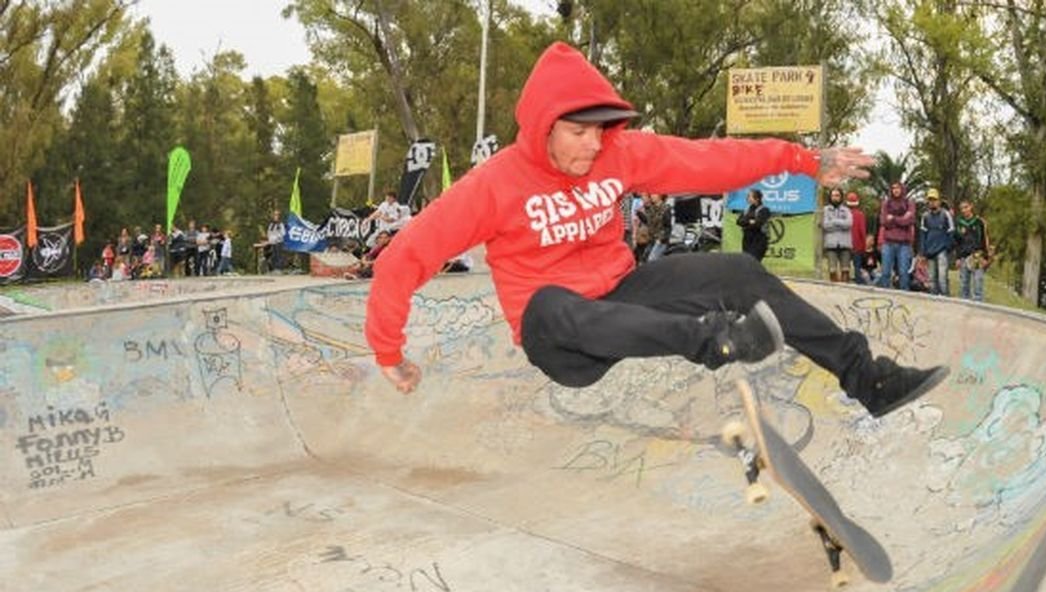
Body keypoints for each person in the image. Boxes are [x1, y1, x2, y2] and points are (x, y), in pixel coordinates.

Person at [364, 41, 946, 417]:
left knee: (736, 272)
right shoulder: (493, 185)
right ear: (543, 128)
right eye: (578, 133)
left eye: (601, 133)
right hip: (562, 341)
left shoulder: (619, 153)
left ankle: (868, 380)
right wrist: (388, 351)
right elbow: (405, 256)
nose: (593, 146)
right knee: (547, 306)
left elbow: (711, 160)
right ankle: (715, 340)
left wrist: (803, 160)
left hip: (624, 298)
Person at [876, 182, 916, 290]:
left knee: (903, 273)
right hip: (888, 242)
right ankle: (885, 294)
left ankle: (904, 294)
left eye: (898, 188)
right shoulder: (886, 203)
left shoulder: (909, 203)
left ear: (902, 189)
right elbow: (883, 221)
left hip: (904, 244)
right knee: (885, 272)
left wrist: (893, 218)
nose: (896, 190)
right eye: (893, 188)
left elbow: (909, 220)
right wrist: (901, 219)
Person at [919, 189, 954, 296]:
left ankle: (946, 299)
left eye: (934, 200)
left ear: (939, 201)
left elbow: (951, 232)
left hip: (942, 250)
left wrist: (947, 247)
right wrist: (923, 253)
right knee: (931, 279)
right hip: (929, 251)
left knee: (942, 278)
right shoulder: (925, 216)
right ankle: (933, 301)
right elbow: (923, 235)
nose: (932, 202)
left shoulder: (946, 214)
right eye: (930, 200)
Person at [955, 200, 991, 302]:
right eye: (962, 208)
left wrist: (986, 257)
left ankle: (978, 304)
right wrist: (957, 258)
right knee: (964, 284)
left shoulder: (979, 222)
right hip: (963, 256)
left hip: (977, 256)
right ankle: (963, 303)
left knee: (978, 282)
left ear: (971, 206)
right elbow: (957, 242)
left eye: (966, 207)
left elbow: (984, 240)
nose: (964, 210)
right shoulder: (959, 223)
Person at [820, 187, 853, 282]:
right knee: (832, 271)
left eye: (837, 195)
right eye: (833, 195)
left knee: (845, 271)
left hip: (845, 244)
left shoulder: (846, 210)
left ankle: (845, 289)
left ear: (841, 197)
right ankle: (834, 289)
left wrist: (834, 221)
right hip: (831, 244)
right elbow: (825, 225)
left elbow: (849, 224)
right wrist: (841, 223)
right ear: (830, 197)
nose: (835, 197)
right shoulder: (825, 210)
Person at [736, 189, 771, 262]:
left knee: (755, 260)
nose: (747, 198)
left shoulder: (764, 210)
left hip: (759, 238)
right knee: (746, 260)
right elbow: (739, 221)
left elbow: (758, 224)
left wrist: (746, 222)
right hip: (747, 238)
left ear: (757, 199)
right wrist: (749, 221)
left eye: (749, 196)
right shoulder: (747, 209)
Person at [637, 193, 671, 262]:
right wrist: (640, 214)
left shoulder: (666, 209)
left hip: (660, 241)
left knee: (651, 260)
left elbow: (668, 227)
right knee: (645, 259)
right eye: (651, 195)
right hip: (652, 239)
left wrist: (661, 239)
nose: (651, 196)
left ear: (660, 196)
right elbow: (648, 222)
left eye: (654, 194)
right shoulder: (652, 208)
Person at [846, 191, 868, 284]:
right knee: (857, 268)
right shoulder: (860, 215)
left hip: (845, 245)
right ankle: (859, 285)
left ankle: (845, 284)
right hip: (857, 246)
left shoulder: (844, 214)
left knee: (845, 267)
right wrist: (864, 247)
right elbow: (862, 232)